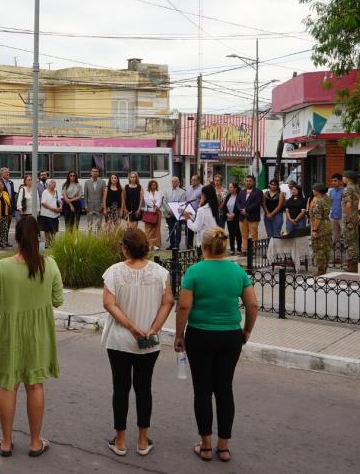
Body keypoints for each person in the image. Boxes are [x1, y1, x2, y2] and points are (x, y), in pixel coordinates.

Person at [174, 227, 258, 463]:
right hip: (231, 336)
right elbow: (252, 305)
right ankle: (224, 446)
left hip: (200, 334)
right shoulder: (237, 271)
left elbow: (183, 307)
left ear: (204, 247)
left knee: (202, 390)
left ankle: (206, 444)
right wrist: (247, 329)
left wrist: (179, 334)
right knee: (224, 389)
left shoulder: (194, 271)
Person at [0, 216, 63, 458]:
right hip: (39, 333)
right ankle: (34, 442)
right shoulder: (49, 265)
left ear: (16, 239)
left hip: (10, 332)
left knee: (9, 384)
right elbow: (58, 300)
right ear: (38, 238)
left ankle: (7, 442)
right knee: (35, 384)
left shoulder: (3, 266)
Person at [102, 228, 174, 457]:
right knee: (144, 389)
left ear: (125, 247)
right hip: (149, 341)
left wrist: (131, 327)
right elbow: (168, 302)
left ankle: (120, 441)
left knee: (120, 389)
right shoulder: (160, 273)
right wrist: (153, 328)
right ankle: (143, 441)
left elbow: (108, 304)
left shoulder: (113, 272)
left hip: (119, 341)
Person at [310, 184, 333, 275]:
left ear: (317, 191)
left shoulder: (318, 201)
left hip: (320, 226)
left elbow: (317, 217)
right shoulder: (326, 198)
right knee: (326, 247)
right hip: (327, 224)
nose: (313, 191)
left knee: (318, 248)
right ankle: (325, 267)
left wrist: (314, 229)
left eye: (314, 189)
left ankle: (321, 270)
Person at [341, 170, 360, 272]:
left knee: (349, 242)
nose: (342, 178)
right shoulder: (356, 188)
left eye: (343, 177)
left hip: (349, 218)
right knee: (354, 241)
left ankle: (352, 265)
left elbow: (348, 205)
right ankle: (354, 264)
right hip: (355, 216)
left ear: (348, 178)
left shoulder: (348, 189)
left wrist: (348, 220)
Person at [235, 175, 263, 249]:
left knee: (253, 235)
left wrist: (246, 210)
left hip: (253, 216)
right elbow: (238, 202)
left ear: (254, 182)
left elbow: (257, 203)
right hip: (242, 217)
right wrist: (241, 210)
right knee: (244, 235)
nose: (248, 182)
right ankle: (244, 250)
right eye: (247, 181)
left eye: (250, 181)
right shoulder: (241, 192)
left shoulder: (258, 192)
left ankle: (253, 250)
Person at [163, 176, 187, 250]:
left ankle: (177, 245)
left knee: (178, 229)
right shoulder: (167, 191)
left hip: (178, 214)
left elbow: (182, 203)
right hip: (169, 213)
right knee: (171, 229)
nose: (174, 183)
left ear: (178, 182)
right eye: (172, 181)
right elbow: (164, 201)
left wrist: (175, 212)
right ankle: (172, 244)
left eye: (175, 181)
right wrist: (169, 210)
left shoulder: (182, 192)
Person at [39, 179, 62, 246]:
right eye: (52, 182)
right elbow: (43, 203)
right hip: (46, 214)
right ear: (48, 184)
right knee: (47, 230)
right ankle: (47, 243)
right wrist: (53, 209)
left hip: (55, 215)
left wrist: (60, 207)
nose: (54, 184)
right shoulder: (45, 192)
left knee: (54, 230)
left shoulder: (57, 192)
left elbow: (60, 201)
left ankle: (53, 243)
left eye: (55, 182)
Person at [141, 180, 164, 250]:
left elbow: (159, 200)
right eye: (152, 184)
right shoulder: (146, 192)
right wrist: (153, 206)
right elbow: (146, 200)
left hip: (157, 212)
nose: (153, 186)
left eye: (155, 184)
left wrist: (156, 207)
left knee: (156, 229)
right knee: (148, 229)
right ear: (150, 185)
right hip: (148, 211)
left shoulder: (159, 192)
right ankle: (148, 244)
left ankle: (156, 245)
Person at [84, 167, 106, 232]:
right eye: (93, 171)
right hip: (89, 206)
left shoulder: (102, 182)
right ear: (91, 173)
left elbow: (104, 195)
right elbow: (85, 195)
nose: (94, 173)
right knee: (89, 224)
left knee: (99, 225)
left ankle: (98, 238)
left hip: (99, 206)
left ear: (98, 173)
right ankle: (90, 239)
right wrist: (85, 205)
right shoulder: (87, 182)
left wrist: (102, 205)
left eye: (96, 171)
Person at [184, 175, 203, 247]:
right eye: (192, 180)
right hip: (189, 212)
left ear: (198, 181)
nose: (193, 181)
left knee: (198, 230)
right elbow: (186, 199)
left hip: (198, 213)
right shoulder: (189, 188)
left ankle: (199, 247)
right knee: (189, 230)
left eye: (195, 180)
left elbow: (203, 200)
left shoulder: (202, 188)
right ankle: (189, 246)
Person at [224, 183, 242, 255]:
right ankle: (232, 249)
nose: (229, 189)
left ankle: (239, 249)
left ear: (235, 188)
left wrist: (234, 214)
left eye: (231, 187)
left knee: (238, 233)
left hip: (236, 217)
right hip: (229, 217)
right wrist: (227, 214)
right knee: (231, 234)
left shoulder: (239, 196)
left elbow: (240, 206)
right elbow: (224, 206)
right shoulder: (228, 196)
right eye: (229, 187)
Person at [328, 174, 344, 246]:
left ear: (340, 181)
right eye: (332, 181)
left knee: (346, 236)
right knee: (335, 238)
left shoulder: (345, 191)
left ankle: (348, 255)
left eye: (335, 181)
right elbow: (329, 203)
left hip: (342, 217)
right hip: (333, 216)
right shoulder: (331, 191)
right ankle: (337, 255)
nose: (333, 182)